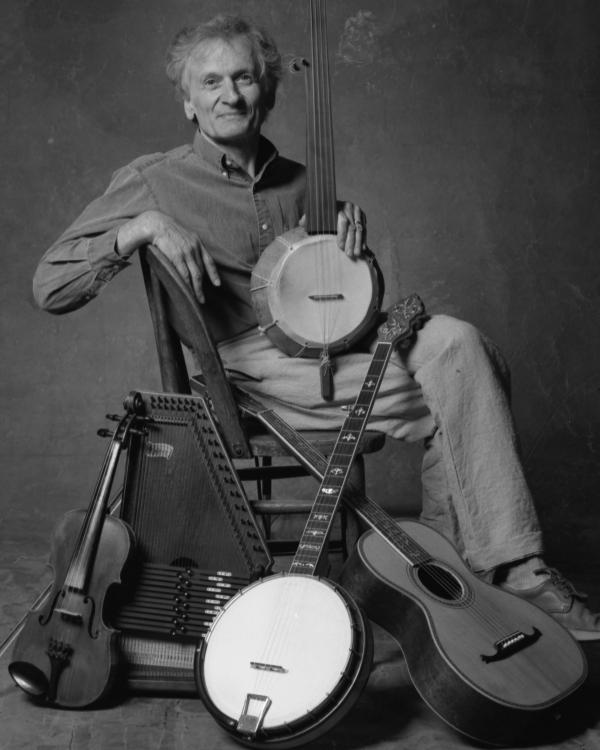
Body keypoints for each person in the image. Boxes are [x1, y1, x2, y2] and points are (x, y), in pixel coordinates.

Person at [33, 14, 599, 640]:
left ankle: (464, 567)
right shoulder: (155, 179)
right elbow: (49, 285)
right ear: (189, 103)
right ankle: (495, 569)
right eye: (211, 82)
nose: (230, 95)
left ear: (266, 93)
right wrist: (139, 227)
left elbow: (342, 303)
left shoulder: (306, 181)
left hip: (335, 352)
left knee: (463, 348)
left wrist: (355, 251)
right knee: (465, 387)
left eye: (244, 77)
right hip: (246, 373)